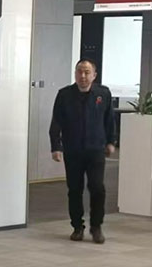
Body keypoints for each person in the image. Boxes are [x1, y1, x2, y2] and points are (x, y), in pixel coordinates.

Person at [49, 59, 115, 244]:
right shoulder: (65, 94)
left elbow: (109, 119)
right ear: (75, 74)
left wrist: (111, 141)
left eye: (87, 72)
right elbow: (56, 122)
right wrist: (56, 146)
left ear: (94, 75)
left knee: (97, 187)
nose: (83, 76)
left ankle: (96, 226)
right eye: (79, 72)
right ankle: (77, 227)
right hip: (73, 150)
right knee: (74, 189)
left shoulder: (103, 93)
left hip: (96, 149)